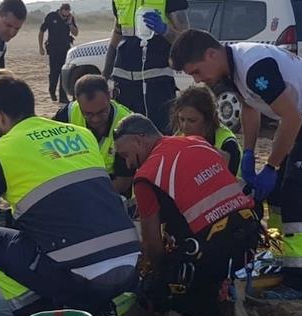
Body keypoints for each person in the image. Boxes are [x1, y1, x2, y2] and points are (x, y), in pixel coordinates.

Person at [0, 77, 141, 316]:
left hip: (79, 276)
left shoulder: (1, 151)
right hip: (128, 265)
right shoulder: (80, 135)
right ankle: (102, 312)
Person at [170, 29, 302, 300]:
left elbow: (293, 119)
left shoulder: (253, 66)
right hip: (296, 115)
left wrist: (271, 167)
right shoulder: (229, 69)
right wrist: (249, 152)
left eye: (197, 71)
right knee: (274, 194)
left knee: (294, 191)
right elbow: (250, 108)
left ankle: (299, 280)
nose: (198, 80)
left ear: (211, 54)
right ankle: (281, 251)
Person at [113, 115, 258, 316]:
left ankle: (220, 298)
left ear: (139, 139)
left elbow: (152, 243)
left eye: (125, 155)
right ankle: (231, 284)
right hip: (248, 236)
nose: (128, 163)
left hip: (212, 251)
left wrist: (156, 273)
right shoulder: (197, 142)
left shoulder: (146, 176)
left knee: (153, 293)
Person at [104, 0, 189, 133]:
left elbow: (186, 40)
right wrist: (104, 75)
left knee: (160, 134)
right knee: (124, 134)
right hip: (124, 82)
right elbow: (117, 34)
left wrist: (165, 30)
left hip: (157, 82)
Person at [53, 74, 134, 194]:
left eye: (101, 112)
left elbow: (124, 181)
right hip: (76, 184)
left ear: (109, 96)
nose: (95, 119)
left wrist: (91, 199)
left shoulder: (127, 123)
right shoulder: (68, 114)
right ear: (77, 101)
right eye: (88, 114)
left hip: (112, 190)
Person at [170, 85, 241, 175]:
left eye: (192, 121)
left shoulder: (228, 143)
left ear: (208, 119)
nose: (185, 126)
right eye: (182, 119)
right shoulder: (179, 136)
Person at [39, 3, 79, 103]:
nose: (65, 15)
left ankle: (63, 97)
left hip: (65, 49)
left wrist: (69, 23)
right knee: (54, 72)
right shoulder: (51, 16)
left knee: (63, 72)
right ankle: (52, 90)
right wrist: (40, 47)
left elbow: (76, 33)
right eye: (64, 13)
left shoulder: (70, 18)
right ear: (60, 10)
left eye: (67, 13)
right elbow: (41, 31)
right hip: (53, 49)